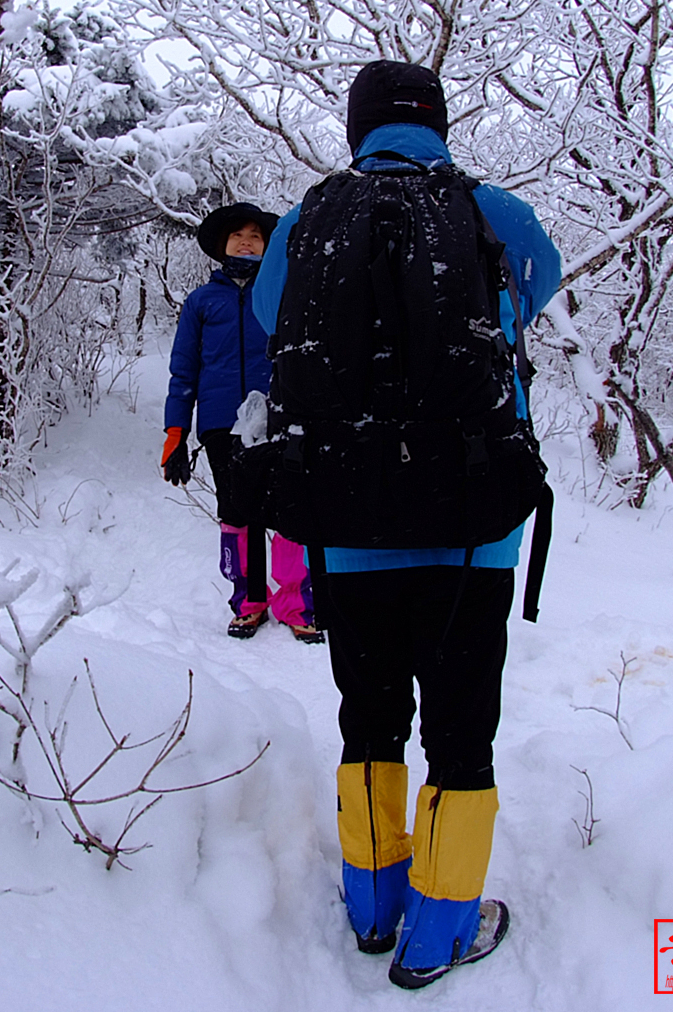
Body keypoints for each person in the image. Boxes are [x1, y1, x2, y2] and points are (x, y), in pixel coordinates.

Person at [252, 62, 561, 987]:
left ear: (359, 130)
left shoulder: (313, 218)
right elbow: (530, 299)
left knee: (369, 721)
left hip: (348, 522)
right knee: (462, 730)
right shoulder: (492, 211)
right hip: (472, 525)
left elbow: (271, 315)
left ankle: (373, 905)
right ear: (440, 125)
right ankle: (441, 934)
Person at [162, 202, 324, 643]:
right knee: (236, 510)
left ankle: (295, 602)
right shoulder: (200, 301)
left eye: (256, 235)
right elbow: (183, 369)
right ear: (222, 246)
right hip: (220, 423)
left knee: (289, 508)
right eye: (238, 236)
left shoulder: (282, 292)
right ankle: (248, 602)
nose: (247, 241)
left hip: (280, 417)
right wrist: (175, 433)